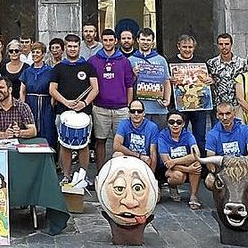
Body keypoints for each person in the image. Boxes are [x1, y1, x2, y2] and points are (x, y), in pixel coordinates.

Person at [50, 34, 98, 184]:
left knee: (84, 145)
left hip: (84, 112)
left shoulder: (88, 66)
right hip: (63, 111)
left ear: (79, 47)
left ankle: (83, 175)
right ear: (65, 48)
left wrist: (84, 103)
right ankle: (66, 175)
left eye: (75, 46)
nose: (72, 49)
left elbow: (95, 88)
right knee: (65, 145)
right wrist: (66, 102)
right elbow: (52, 89)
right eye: (69, 46)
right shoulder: (58, 67)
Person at [89, 28, 134, 167]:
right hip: (100, 108)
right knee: (100, 141)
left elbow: (129, 85)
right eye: (105, 40)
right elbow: (90, 85)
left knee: (121, 142)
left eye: (110, 40)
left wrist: (129, 105)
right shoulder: (93, 60)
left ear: (115, 41)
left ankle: (120, 172)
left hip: (121, 109)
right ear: (101, 41)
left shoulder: (124, 61)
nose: (108, 43)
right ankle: (100, 173)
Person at [170, 34, 213, 146]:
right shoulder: (170, 62)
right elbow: (164, 83)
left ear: (194, 47)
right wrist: (169, 80)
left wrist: (210, 80)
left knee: (200, 137)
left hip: (199, 106)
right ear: (178, 46)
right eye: (184, 47)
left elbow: (209, 79)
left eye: (190, 47)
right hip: (179, 106)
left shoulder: (202, 62)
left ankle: (201, 162)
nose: (187, 50)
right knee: (178, 135)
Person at [127, 28, 172, 128]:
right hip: (139, 108)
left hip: (159, 107)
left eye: (148, 40)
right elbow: (128, 84)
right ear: (138, 40)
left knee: (160, 138)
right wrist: (133, 75)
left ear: (152, 42)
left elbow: (166, 81)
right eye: (143, 39)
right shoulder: (130, 60)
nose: (145, 42)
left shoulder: (161, 60)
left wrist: (167, 99)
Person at [157, 111, 202, 209]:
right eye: (171, 122)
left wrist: (175, 161)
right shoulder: (162, 136)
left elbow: (196, 154)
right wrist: (188, 169)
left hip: (180, 164)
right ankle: (172, 186)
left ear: (183, 124)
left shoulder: (188, 135)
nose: (175, 125)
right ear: (167, 123)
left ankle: (194, 196)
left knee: (197, 164)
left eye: (178, 122)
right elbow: (167, 163)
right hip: (167, 170)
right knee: (178, 176)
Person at [19, 42, 56, 149]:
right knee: (31, 129)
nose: (35, 54)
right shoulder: (27, 71)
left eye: (38, 52)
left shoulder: (50, 71)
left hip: (46, 104)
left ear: (43, 54)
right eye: (33, 52)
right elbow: (22, 91)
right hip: (30, 103)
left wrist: (52, 104)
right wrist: (23, 106)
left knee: (48, 131)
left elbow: (53, 89)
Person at [206, 33, 246, 117]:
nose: (224, 46)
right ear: (217, 45)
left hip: (237, 105)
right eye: (221, 44)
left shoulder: (242, 63)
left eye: (227, 44)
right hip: (218, 106)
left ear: (231, 44)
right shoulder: (211, 63)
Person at [112, 100, 159, 171]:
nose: (136, 114)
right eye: (133, 111)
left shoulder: (152, 127)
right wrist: (138, 156)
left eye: (139, 111)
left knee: (149, 159)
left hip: (144, 160)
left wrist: (152, 175)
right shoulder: (123, 124)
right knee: (117, 155)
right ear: (129, 113)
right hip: (129, 157)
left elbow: (153, 153)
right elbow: (116, 146)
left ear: (144, 113)